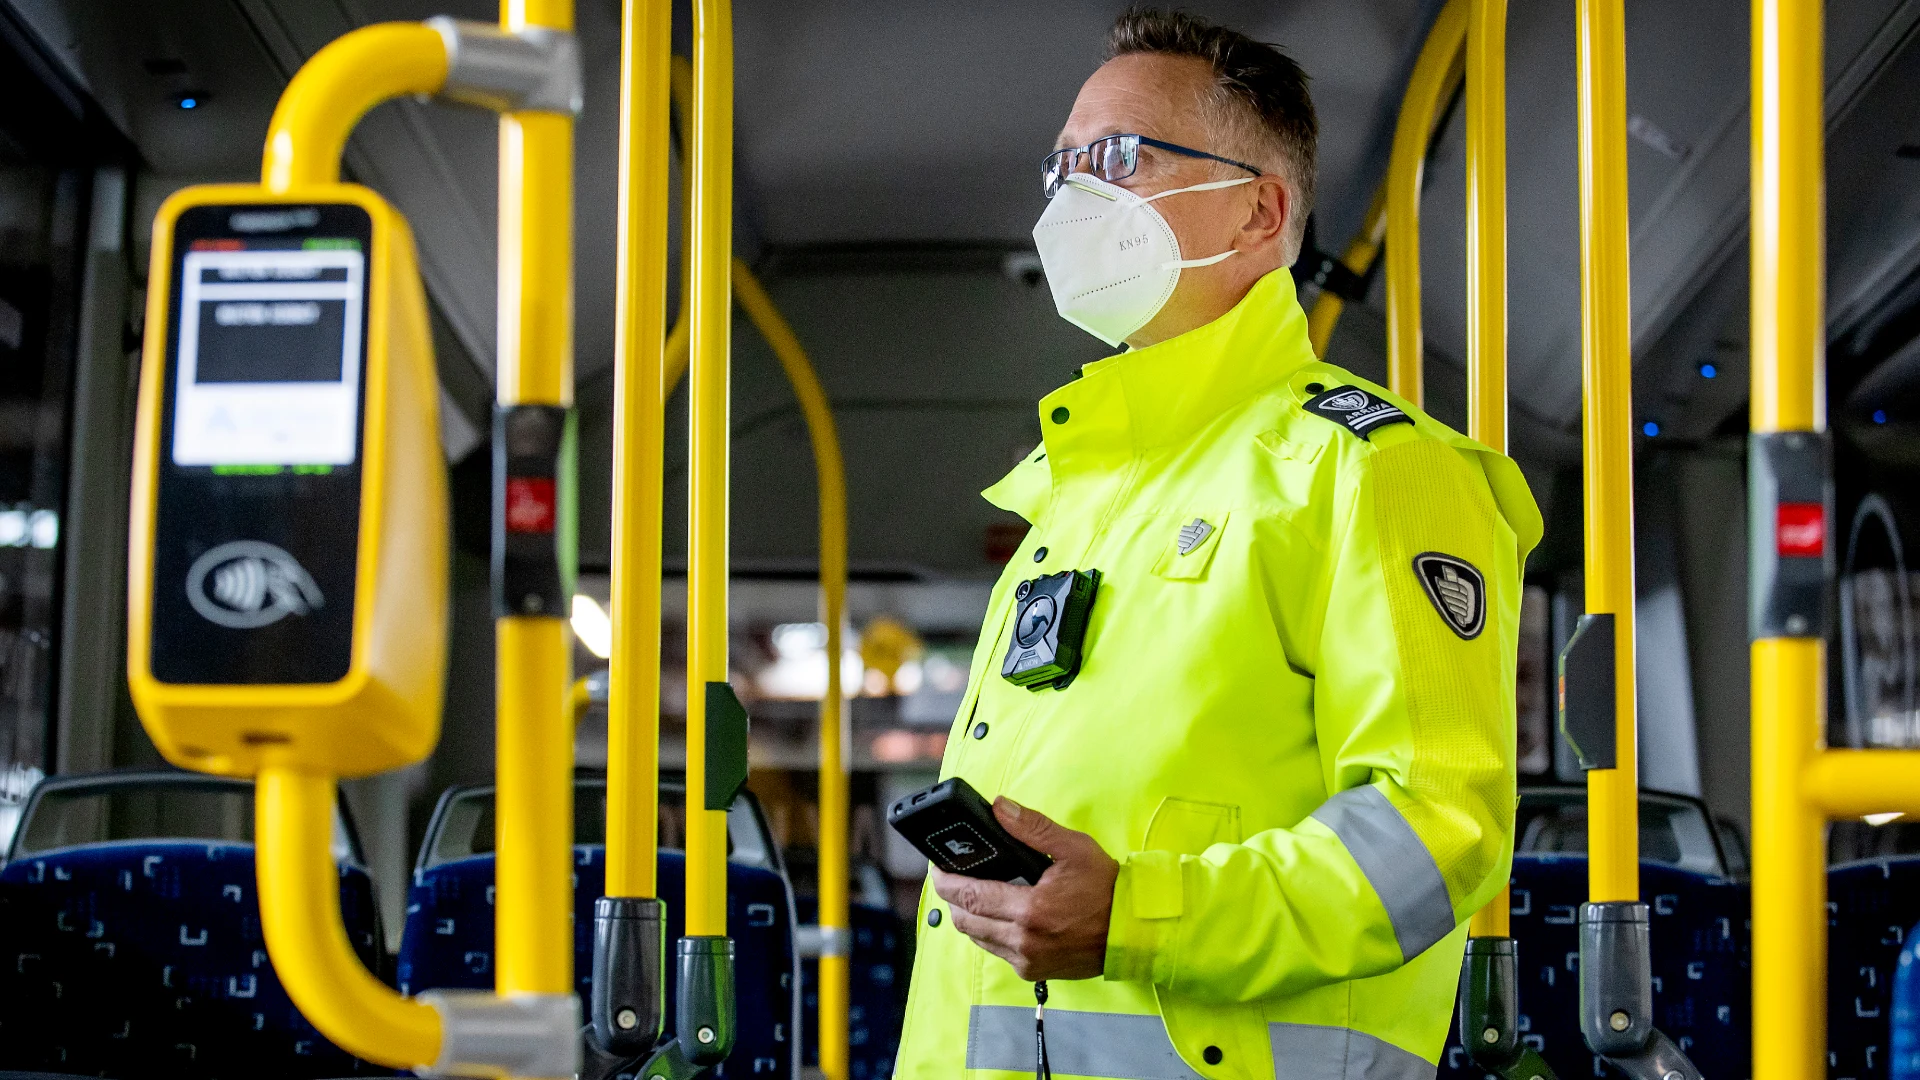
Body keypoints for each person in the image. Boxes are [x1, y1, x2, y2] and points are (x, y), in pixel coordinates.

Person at [892, 9, 1542, 1080]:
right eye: (1061, 167)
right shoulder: (1075, 499)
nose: (1072, 197)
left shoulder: (1369, 469)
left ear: (1257, 211)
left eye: (1116, 160)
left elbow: (1438, 831)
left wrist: (1147, 914)